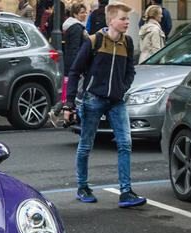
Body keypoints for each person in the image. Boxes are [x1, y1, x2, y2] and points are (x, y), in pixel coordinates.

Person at [63, 2, 147, 208]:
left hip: (116, 101)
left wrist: (122, 88)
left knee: (125, 143)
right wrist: (69, 103)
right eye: (123, 18)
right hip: (94, 99)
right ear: (110, 21)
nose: (127, 22)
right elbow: (74, 72)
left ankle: (126, 192)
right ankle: (83, 186)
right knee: (86, 144)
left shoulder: (127, 43)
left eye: (128, 19)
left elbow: (130, 71)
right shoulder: (94, 41)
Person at [63, 2, 88, 74]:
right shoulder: (76, 28)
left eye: (85, 12)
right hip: (74, 65)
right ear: (75, 15)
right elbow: (75, 48)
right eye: (82, 13)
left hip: (70, 64)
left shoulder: (74, 26)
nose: (85, 15)